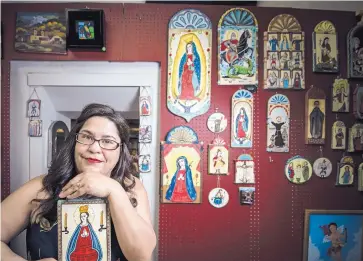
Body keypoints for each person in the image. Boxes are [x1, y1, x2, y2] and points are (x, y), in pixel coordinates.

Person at [1, 103, 156, 261]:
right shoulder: (41, 187)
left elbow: (142, 256)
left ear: (120, 150)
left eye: (108, 141)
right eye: (87, 137)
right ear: (74, 143)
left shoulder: (132, 187)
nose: (95, 148)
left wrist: (113, 189)